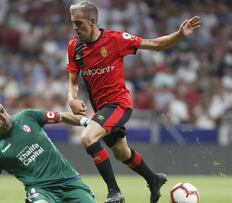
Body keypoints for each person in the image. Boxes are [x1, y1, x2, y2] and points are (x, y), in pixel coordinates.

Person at [66, 2, 201, 203]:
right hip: (102, 108)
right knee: (122, 154)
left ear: (93, 21)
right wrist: (72, 99)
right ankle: (153, 179)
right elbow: (73, 82)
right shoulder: (74, 47)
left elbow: (155, 45)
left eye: (78, 23)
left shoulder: (116, 39)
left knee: (87, 137)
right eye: (73, 24)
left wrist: (179, 35)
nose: (75, 28)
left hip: (119, 104)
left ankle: (114, 192)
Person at [0, 97, 96, 203]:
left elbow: (62, 116)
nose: (3, 117)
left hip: (69, 180)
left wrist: (88, 122)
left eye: (2, 111)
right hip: (41, 190)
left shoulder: (28, 117)